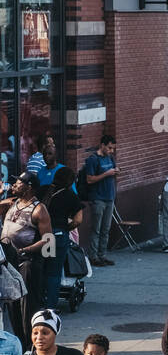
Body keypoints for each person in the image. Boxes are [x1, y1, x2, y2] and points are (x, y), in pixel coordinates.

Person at [2, 172, 51, 334]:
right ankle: (18, 342)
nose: (14, 185)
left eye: (18, 182)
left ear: (29, 187)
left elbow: (48, 241)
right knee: (12, 304)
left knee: (26, 306)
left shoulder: (39, 209)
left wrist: (24, 250)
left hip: (27, 264)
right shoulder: (12, 203)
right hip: (9, 263)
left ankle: (29, 346)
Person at [43, 166, 82, 313]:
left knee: (43, 268)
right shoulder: (70, 195)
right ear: (69, 181)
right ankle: (51, 307)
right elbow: (78, 220)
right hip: (58, 235)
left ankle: (40, 301)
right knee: (54, 272)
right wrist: (66, 228)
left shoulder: (44, 190)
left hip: (43, 236)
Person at [81, 134, 118, 267]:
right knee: (96, 228)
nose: (111, 151)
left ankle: (102, 255)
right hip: (97, 198)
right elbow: (89, 179)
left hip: (109, 197)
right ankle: (93, 256)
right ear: (102, 145)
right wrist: (106, 174)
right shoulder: (93, 160)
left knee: (105, 229)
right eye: (109, 148)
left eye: (113, 148)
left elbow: (113, 172)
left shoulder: (110, 158)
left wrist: (115, 172)